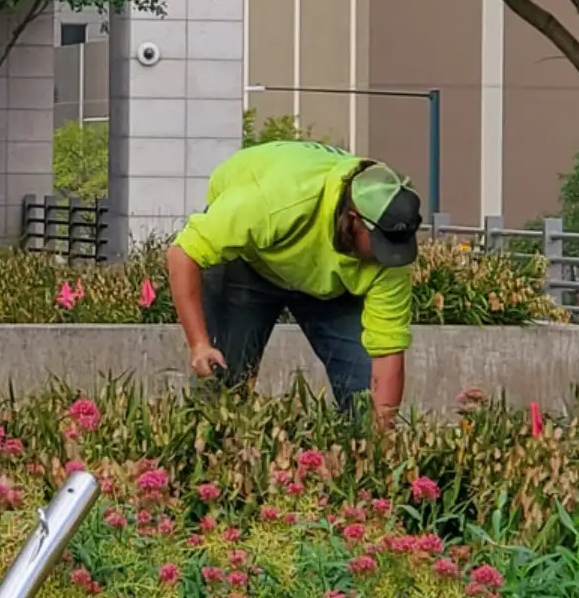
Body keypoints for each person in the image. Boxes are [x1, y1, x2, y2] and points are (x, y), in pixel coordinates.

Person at [166, 141, 422, 424]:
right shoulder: (273, 199)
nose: (384, 253)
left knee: (366, 402)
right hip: (250, 262)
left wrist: (381, 442)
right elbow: (182, 255)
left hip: (328, 283)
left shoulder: (388, 257)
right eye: (378, 243)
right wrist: (199, 343)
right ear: (353, 219)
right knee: (223, 388)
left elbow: (387, 351)